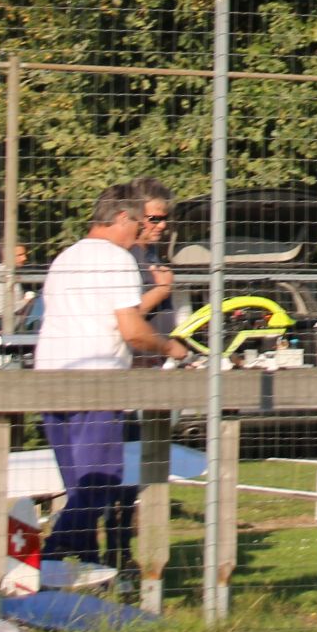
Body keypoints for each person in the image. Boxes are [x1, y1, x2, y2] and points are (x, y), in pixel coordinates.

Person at [33, 181, 191, 562]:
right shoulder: (116, 259)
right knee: (100, 481)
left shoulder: (64, 258)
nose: (140, 233)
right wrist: (171, 347)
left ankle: (85, 576)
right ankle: (47, 558)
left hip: (49, 381)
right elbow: (133, 331)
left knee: (78, 489)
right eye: (138, 224)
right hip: (96, 384)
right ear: (122, 217)